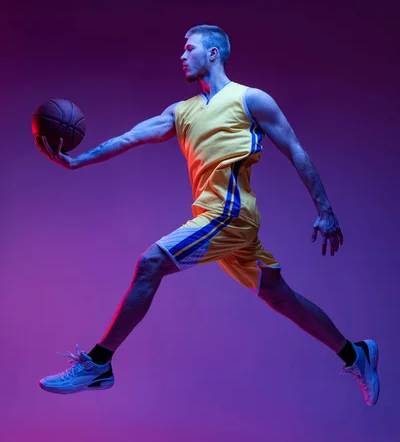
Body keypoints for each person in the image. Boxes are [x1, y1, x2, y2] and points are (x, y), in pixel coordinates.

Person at [34, 24, 379, 405]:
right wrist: (78, 161)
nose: (182, 56)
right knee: (280, 297)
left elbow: (295, 150)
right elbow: (130, 137)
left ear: (213, 54)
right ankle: (355, 353)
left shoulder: (250, 99)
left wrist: (325, 210)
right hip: (218, 219)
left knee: (150, 264)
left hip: (229, 213)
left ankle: (99, 364)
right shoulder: (182, 111)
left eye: (189, 48)